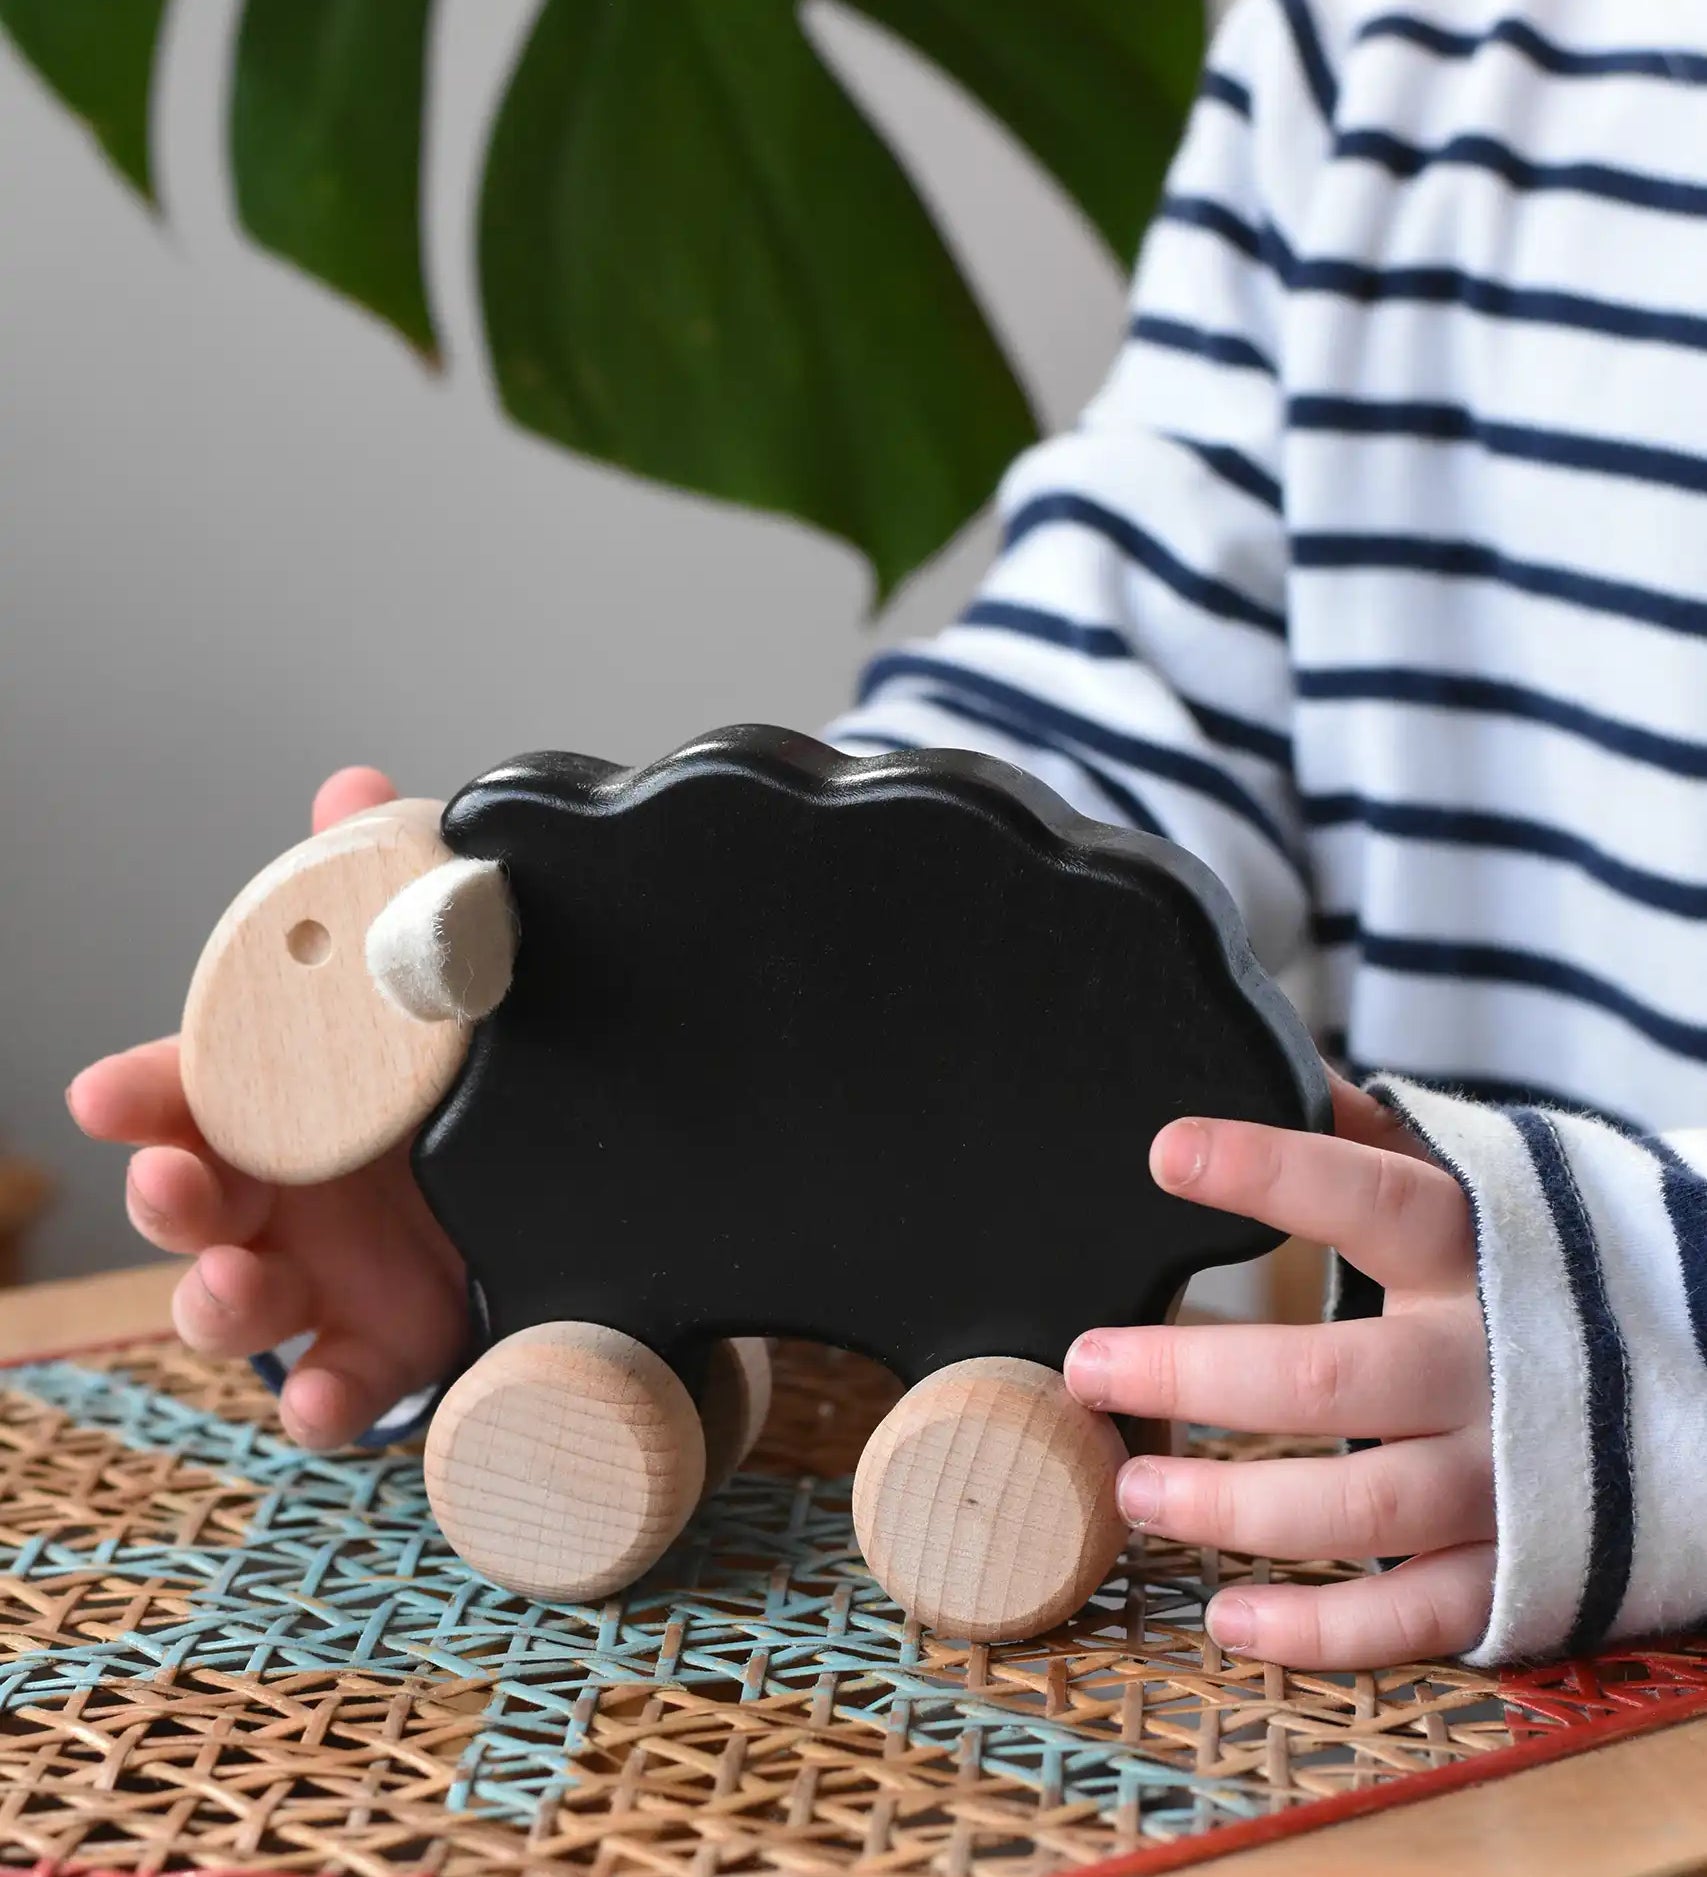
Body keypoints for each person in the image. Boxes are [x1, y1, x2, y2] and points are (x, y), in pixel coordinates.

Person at [66, 0, 1707, 1670]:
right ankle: (584, 1359)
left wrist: (1655, 1346)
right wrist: (648, 1013)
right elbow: (1131, 680)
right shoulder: (1376, 39)